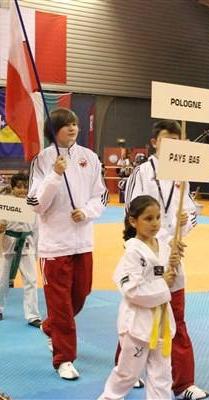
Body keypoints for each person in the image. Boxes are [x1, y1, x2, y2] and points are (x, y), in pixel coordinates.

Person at [123, 120, 209, 399]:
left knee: (177, 320)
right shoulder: (142, 172)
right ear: (154, 143)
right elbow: (133, 212)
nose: (173, 144)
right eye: (167, 139)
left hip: (173, 256)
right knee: (140, 319)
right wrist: (158, 238)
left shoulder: (183, 173)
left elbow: (192, 212)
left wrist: (181, 229)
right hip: (147, 255)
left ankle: (184, 384)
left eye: (177, 139)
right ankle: (129, 370)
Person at [27, 108, 108, 380]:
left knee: (80, 295)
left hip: (83, 242)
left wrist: (86, 212)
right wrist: (55, 175)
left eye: (75, 123)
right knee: (60, 305)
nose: (73, 128)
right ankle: (64, 359)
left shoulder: (90, 158)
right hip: (54, 246)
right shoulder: (43, 160)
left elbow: (101, 197)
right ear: (54, 130)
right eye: (66, 125)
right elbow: (36, 204)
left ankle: (51, 326)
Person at [98, 196, 180, 400]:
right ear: (133, 221)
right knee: (128, 374)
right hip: (137, 323)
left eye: (158, 217)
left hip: (161, 321)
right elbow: (132, 291)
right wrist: (164, 284)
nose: (155, 223)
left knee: (162, 375)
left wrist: (175, 265)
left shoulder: (164, 246)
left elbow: (173, 283)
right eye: (148, 218)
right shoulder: (132, 253)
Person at [0, 173, 41, 326]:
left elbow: (37, 230)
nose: (22, 191)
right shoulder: (5, 203)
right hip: (7, 245)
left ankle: (32, 315)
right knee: (1, 281)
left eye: (25, 187)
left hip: (27, 244)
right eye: (19, 187)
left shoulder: (34, 205)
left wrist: (37, 252)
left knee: (31, 280)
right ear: (12, 188)